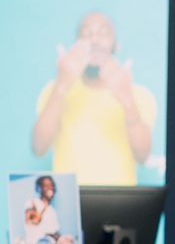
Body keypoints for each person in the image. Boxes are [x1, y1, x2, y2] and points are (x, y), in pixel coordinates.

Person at [32, 12, 156, 186]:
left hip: (119, 206)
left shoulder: (139, 95)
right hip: (70, 205)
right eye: (86, 33)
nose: (94, 40)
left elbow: (142, 156)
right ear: (76, 45)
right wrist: (61, 85)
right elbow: (39, 147)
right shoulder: (54, 90)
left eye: (103, 33)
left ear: (116, 46)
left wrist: (127, 99)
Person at [24, 175, 60, 244]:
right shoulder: (32, 202)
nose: (50, 188)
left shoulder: (52, 210)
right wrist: (45, 205)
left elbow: (54, 232)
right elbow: (34, 221)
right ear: (39, 188)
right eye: (46, 185)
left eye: (51, 185)